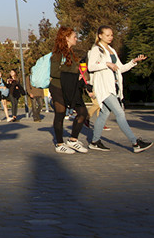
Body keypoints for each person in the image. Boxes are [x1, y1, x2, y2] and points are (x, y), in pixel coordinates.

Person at [87, 25, 151, 153]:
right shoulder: (96, 49)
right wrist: (106, 64)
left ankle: (95, 141)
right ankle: (135, 143)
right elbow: (91, 66)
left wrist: (134, 61)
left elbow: (120, 68)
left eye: (111, 35)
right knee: (120, 113)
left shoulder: (111, 50)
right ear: (100, 35)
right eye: (107, 35)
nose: (110, 37)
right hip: (104, 88)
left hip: (114, 87)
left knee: (104, 113)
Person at [49, 27, 89, 154]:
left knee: (83, 112)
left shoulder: (71, 52)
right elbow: (54, 72)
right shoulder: (58, 54)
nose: (76, 39)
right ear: (66, 38)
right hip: (58, 87)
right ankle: (60, 144)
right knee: (60, 114)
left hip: (71, 87)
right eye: (74, 37)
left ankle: (73, 140)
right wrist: (74, 72)